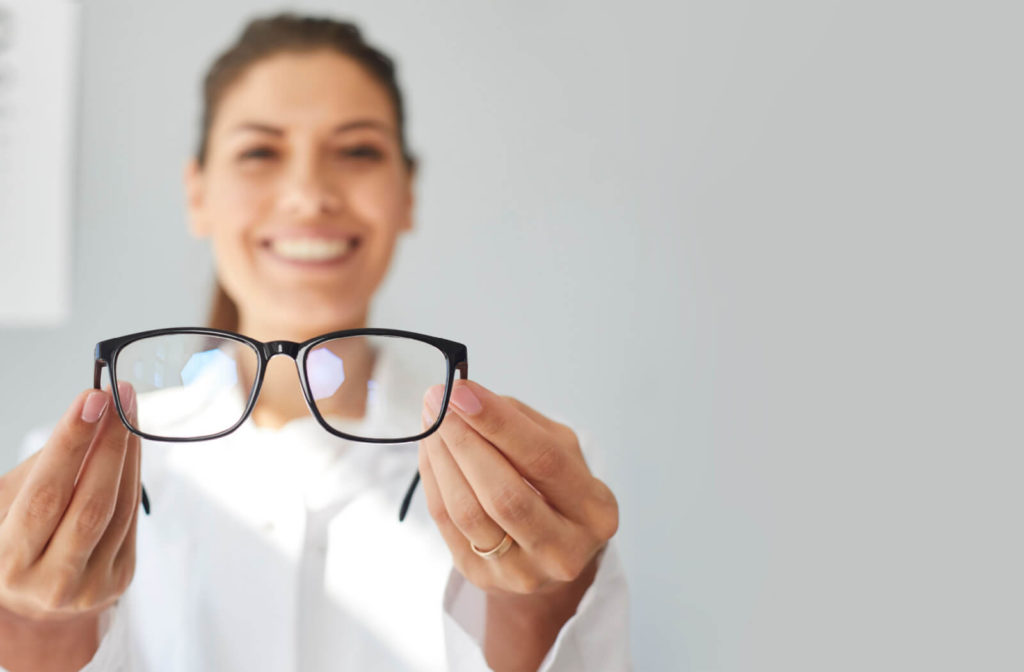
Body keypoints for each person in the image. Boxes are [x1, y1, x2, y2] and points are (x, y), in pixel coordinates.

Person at [0, 14, 629, 672]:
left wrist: (542, 605)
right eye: (260, 153)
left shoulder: (540, 485)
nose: (309, 196)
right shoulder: (72, 477)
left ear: (406, 193)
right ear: (198, 193)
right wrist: (34, 631)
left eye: (357, 151)